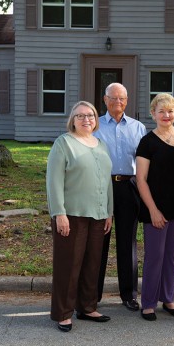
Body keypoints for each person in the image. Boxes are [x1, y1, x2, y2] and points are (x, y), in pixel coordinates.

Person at [46, 101, 114, 333]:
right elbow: (54, 181)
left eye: (91, 115)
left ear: (96, 119)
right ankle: (63, 313)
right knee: (68, 264)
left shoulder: (101, 144)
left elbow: (107, 181)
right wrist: (59, 213)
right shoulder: (63, 144)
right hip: (71, 215)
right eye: (81, 116)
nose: (86, 119)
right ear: (72, 120)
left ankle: (87, 307)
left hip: (98, 214)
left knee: (92, 263)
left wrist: (109, 212)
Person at [94, 82, 146, 311]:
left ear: (127, 101)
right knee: (98, 242)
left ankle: (129, 295)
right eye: (113, 98)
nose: (118, 102)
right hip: (100, 187)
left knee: (128, 243)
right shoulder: (94, 125)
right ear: (105, 100)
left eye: (122, 98)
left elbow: (144, 163)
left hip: (128, 187)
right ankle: (92, 294)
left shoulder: (138, 128)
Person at [135, 93, 174, 322]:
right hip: (155, 208)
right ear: (153, 113)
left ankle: (168, 298)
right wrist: (153, 210)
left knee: (172, 256)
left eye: (171, 111)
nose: (167, 115)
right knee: (154, 256)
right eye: (161, 111)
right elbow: (141, 179)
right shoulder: (147, 142)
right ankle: (148, 302)